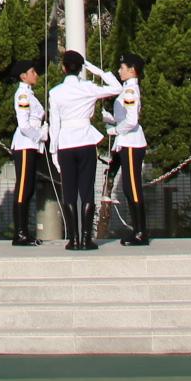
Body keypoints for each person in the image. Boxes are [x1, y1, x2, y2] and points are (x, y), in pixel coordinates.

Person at [49, 52, 123, 253]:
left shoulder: (55, 92)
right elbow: (117, 88)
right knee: (87, 190)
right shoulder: (88, 87)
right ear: (81, 68)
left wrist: (53, 151)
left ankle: (72, 239)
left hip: (65, 142)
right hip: (86, 141)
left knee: (69, 192)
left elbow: (54, 125)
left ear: (63, 68)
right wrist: (96, 70)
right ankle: (85, 239)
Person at [105, 55, 150, 248]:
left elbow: (131, 121)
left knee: (132, 188)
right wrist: (111, 120)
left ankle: (140, 232)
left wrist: (115, 130)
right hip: (126, 142)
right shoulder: (127, 89)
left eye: (122, 67)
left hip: (131, 142)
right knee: (129, 188)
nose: (119, 71)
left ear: (132, 70)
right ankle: (138, 230)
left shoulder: (130, 90)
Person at [7, 60, 50, 248]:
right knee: (23, 188)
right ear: (23, 76)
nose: (36, 75)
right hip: (26, 144)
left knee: (29, 187)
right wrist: (39, 135)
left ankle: (25, 231)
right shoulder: (23, 94)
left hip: (31, 145)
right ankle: (20, 233)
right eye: (32, 72)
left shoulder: (29, 94)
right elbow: (24, 125)